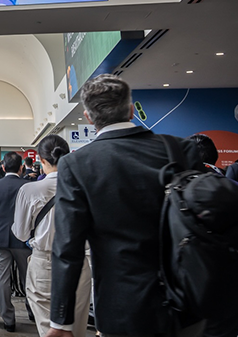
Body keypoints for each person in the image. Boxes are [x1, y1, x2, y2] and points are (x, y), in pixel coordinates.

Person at [47, 74, 203, 337]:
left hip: (123, 307)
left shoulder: (78, 165)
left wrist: (61, 321)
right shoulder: (181, 150)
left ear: (88, 117)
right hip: (191, 297)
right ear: (131, 110)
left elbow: (67, 248)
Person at [12, 135, 91, 337]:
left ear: (42, 160)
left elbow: (20, 234)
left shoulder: (29, 190)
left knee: (50, 330)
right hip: (80, 263)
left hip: (44, 263)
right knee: (77, 328)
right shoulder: (85, 186)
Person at [0, 151, 32, 332]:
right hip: (23, 239)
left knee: (2, 280)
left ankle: (8, 319)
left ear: (3, 167)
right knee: (28, 278)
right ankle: (33, 311)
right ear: (21, 168)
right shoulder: (28, 185)